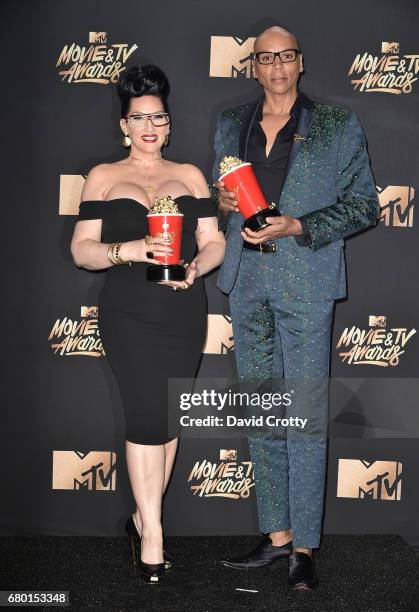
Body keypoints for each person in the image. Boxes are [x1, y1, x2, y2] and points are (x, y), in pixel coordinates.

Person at [213, 26, 379, 591]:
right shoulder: (229, 124)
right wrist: (225, 200)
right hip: (247, 279)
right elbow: (225, 195)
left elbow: (364, 205)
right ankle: (276, 534)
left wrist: (300, 224)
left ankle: (305, 545)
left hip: (305, 278)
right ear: (253, 65)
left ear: (300, 62)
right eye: (266, 57)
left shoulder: (336, 123)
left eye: (286, 56)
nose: (277, 65)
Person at [70, 65, 225, 584]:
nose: (150, 127)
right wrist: (130, 248)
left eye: (159, 117)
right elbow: (83, 250)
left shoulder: (191, 175)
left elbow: (214, 242)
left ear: (169, 121)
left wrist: (195, 267)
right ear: (124, 124)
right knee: (143, 415)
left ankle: (143, 516)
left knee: (168, 418)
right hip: (128, 311)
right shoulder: (103, 176)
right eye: (140, 118)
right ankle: (155, 536)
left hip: (183, 308)